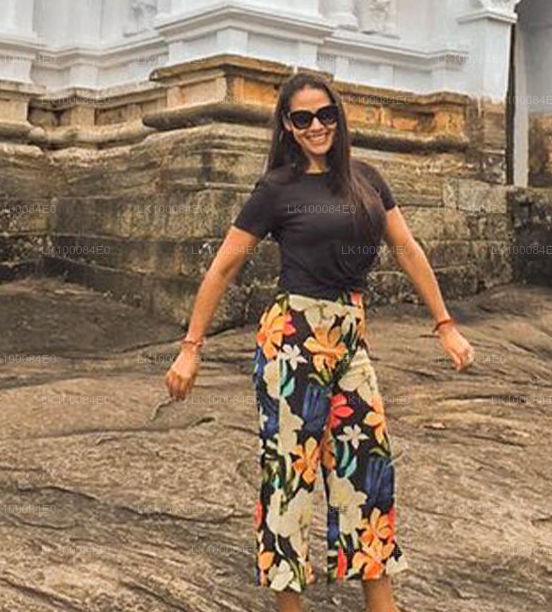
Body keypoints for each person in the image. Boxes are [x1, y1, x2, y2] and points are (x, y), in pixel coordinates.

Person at [163, 71, 475, 612]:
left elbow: (407, 249)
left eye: (325, 114)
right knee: (291, 474)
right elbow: (225, 266)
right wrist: (191, 348)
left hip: (351, 337)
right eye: (303, 117)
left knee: (368, 468)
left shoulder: (367, 179)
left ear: (338, 117)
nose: (316, 126)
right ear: (287, 125)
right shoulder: (277, 188)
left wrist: (445, 324)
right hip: (293, 340)